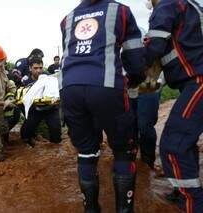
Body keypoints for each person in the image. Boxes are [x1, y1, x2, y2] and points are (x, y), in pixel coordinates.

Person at [60, 0, 146, 212]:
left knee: (86, 152)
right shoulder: (121, 11)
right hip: (106, 86)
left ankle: (91, 209)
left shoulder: (67, 18)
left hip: (69, 88)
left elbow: (70, 52)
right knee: (124, 150)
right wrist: (136, 78)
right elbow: (134, 55)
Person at [144, 0, 203, 212]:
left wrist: (134, 69)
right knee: (184, 142)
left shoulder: (167, 5)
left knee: (173, 145)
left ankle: (193, 204)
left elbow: (154, 47)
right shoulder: (189, 5)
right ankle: (183, 188)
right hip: (193, 81)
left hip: (199, 81)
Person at [20, 57, 62, 147]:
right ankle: (27, 143)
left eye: (40, 68)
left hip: (51, 108)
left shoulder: (49, 77)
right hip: (35, 109)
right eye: (35, 68)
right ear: (30, 68)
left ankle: (55, 148)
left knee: (56, 131)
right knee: (27, 130)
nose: (39, 71)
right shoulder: (25, 80)